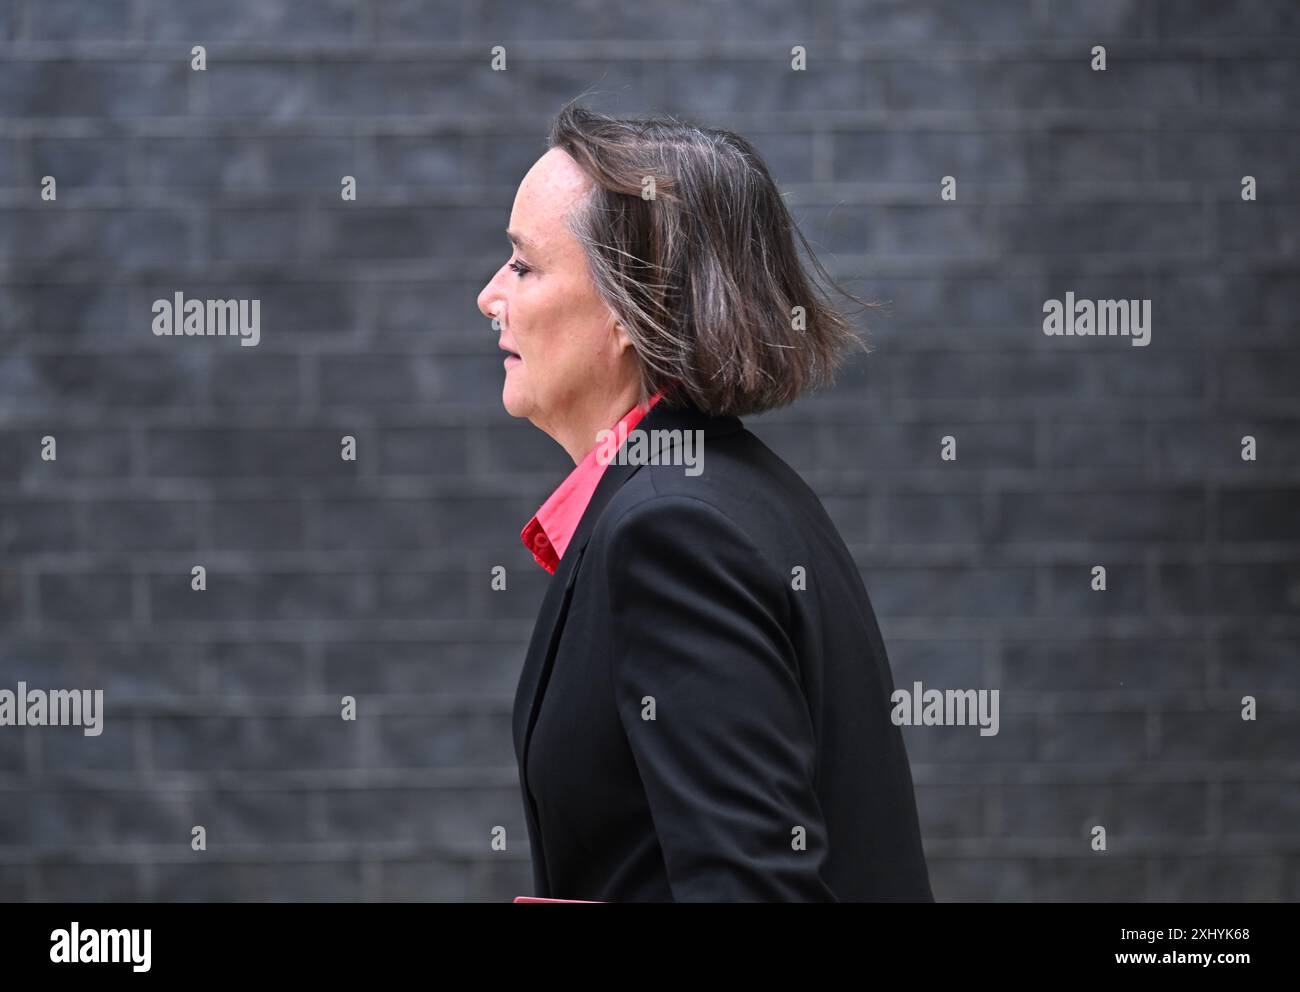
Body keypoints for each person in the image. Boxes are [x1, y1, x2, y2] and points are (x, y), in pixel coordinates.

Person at [477, 100, 933, 902]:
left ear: (628, 306)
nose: (490, 296)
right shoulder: (731, 495)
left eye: (522, 265)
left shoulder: (673, 531)